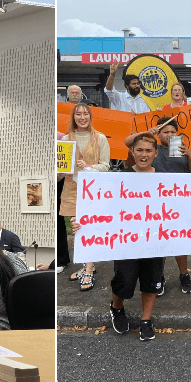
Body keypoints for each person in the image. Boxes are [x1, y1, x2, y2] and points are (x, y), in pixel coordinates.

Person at [72, 134, 191, 341]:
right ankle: (117, 308)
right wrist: (82, 224)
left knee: (152, 281)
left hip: (155, 242)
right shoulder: (119, 178)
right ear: (133, 153)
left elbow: (178, 207)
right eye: (140, 150)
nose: (144, 155)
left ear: (155, 153)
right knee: (124, 282)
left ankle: (146, 320)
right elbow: (100, 207)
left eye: (148, 151)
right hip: (126, 242)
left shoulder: (166, 179)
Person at [125, 117, 191, 295]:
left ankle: (184, 275)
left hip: (178, 202)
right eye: (165, 132)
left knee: (179, 242)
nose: (169, 135)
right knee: (160, 242)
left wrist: (189, 154)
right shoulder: (152, 149)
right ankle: (159, 276)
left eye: (173, 132)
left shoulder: (182, 149)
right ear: (158, 134)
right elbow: (128, 142)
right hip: (155, 204)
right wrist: (146, 133)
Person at [59, 102, 110, 291]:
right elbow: (61, 171)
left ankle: (88, 269)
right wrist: (58, 170)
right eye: (78, 114)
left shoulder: (100, 138)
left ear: (90, 116)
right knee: (77, 228)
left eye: (85, 114)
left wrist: (87, 167)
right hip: (72, 189)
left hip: (93, 191)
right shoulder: (65, 139)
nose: (82, 117)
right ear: (73, 117)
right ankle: (87, 263)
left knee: (89, 227)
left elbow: (106, 166)